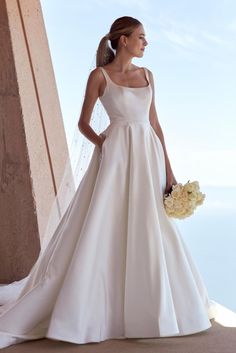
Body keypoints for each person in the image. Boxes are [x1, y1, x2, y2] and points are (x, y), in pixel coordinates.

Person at [0, 16, 216, 349]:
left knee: (151, 225)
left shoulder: (148, 75)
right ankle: (96, 308)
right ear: (123, 40)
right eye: (141, 37)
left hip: (148, 158)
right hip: (116, 160)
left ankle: (155, 307)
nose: (146, 43)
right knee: (107, 224)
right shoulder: (99, 77)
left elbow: (156, 125)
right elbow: (84, 123)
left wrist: (169, 172)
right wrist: (105, 144)